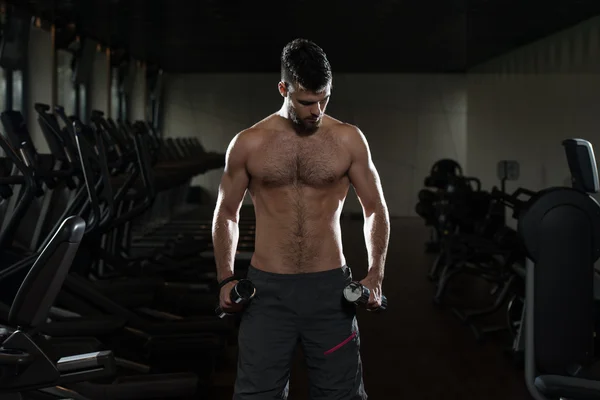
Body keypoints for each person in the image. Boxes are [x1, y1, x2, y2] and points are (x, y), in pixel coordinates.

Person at [212, 38, 390, 400]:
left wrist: (376, 273)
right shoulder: (249, 143)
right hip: (267, 293)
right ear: (283, 89)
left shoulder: (348, 140)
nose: (317, 111)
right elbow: (226, 213)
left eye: (324, 99)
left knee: (340, 395)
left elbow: (375, 208)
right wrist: (225, 278)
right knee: (255, 395)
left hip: (329, 293)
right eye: (307, 102)